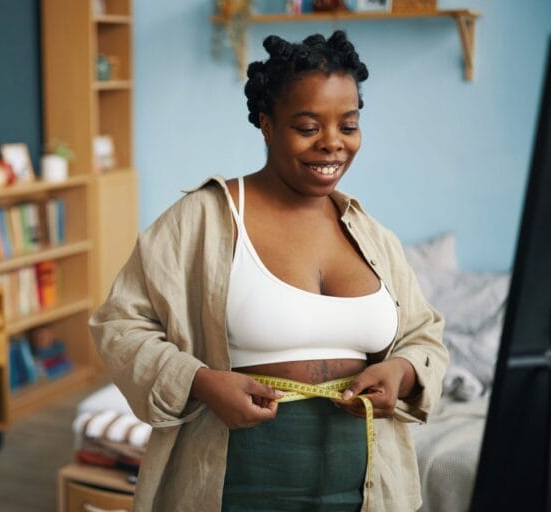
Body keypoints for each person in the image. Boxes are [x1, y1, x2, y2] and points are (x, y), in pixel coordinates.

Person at [90, 30, 449, 512]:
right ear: (265, 124)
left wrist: (401, 372)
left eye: (348, 125)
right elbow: (120, 324)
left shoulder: (373, 236)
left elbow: (425, 334)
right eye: (307, 127)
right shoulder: (205, 218)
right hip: (237, 482)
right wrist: (200, 381)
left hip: (366, 485)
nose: (333, 145)